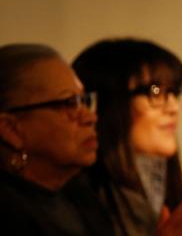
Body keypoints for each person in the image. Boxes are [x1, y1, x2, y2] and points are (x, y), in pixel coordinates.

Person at [72, 38, 182, 236]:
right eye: (155, 91)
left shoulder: (181, 192)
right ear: (109, 103)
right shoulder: (73, 202)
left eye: (175, 92)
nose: (173, 107)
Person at [0, 43, 115, 234]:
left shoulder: (80, 196)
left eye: (84, 101)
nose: (90, 117)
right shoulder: (8, 214)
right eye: (69, 103)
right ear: (11, 130)